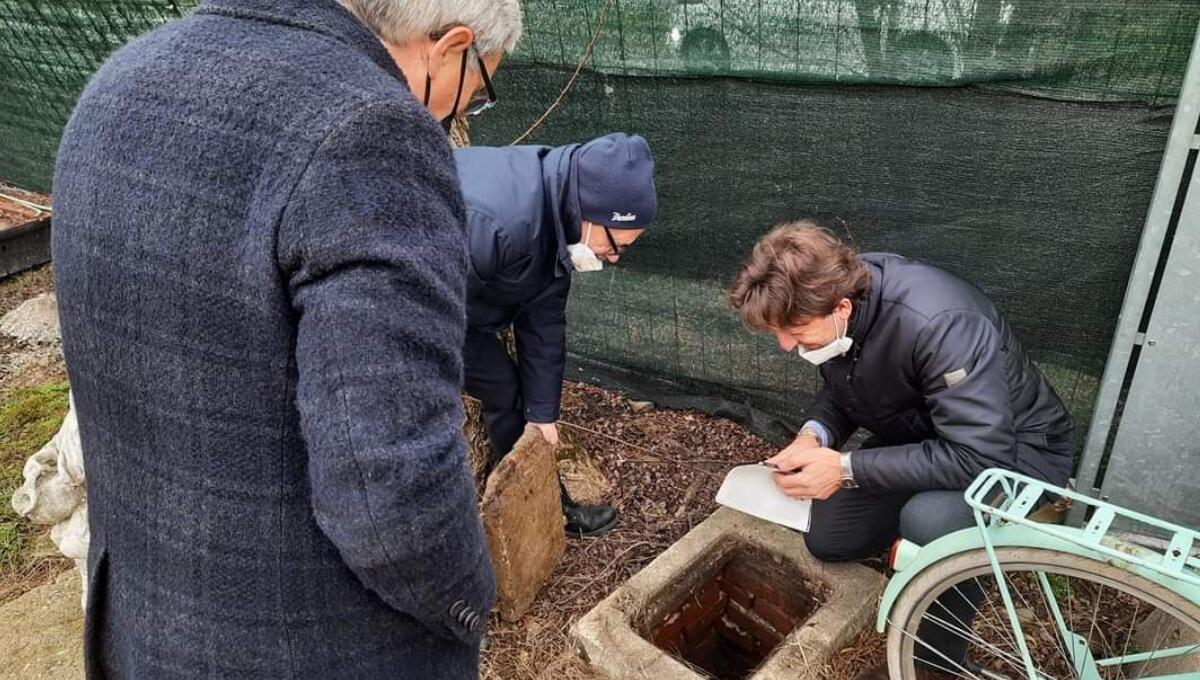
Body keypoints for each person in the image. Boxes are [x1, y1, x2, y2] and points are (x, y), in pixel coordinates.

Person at [51, 1, 521, 678]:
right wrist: (467, 599)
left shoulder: (119, 82)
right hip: (311, 648)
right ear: (451, 45)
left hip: (139, 631)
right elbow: (389, 490)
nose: (455, 114)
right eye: (474, 89)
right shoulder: (374, 131)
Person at [727, 222, 1075, 676]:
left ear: (842, 307)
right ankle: (914, 546)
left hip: (1017, 452)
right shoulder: (836, 306)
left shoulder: (941, 324)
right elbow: (843, 386)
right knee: (831, 539)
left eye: (793, 331)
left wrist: (846, 468)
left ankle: (933, 663)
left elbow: (979, 455)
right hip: (926, 433)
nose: (787, 345)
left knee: (932, 521)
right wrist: (815, 435)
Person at [454, 133, 657, 537]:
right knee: (504, 390)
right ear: (590, 214)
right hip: (430, 305)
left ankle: (546, 505)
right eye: (616, 244)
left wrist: (543, 413)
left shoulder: (558, 213)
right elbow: (423, 309)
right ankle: (516, 513)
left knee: (524, 402)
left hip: (471, 297)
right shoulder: (494, 224)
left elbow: (544, 323)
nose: (614, 257)